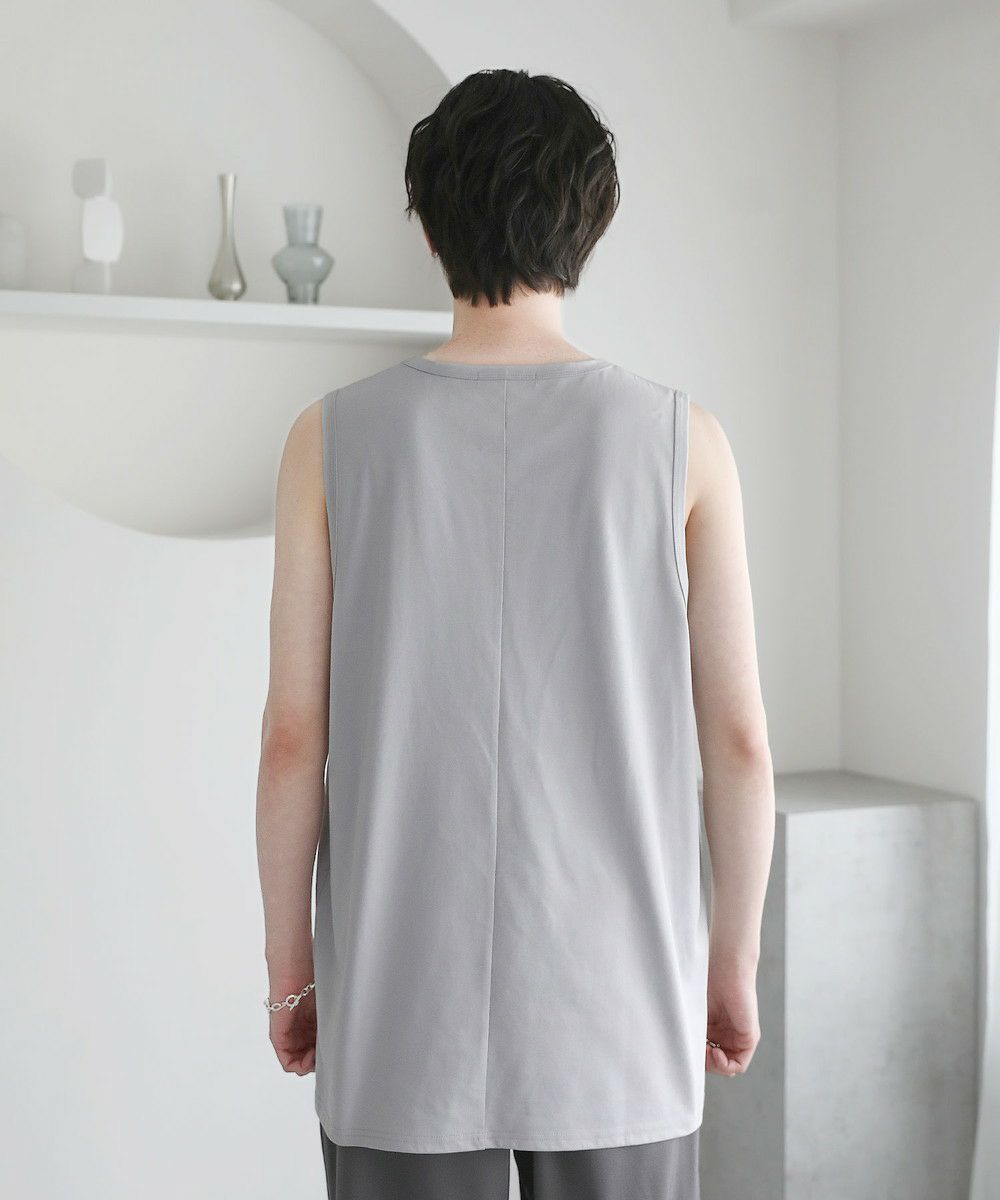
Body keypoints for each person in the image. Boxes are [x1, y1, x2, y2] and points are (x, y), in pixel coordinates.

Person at [255, 68, 775, 1200]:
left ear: (430, 226)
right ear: (591, 223)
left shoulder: (328, 440)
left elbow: (295, 738)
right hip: (621, 1000)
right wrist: (730, 961)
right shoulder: (684, 442)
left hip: (397, 1000)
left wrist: (293, 977)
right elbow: (737, 742)